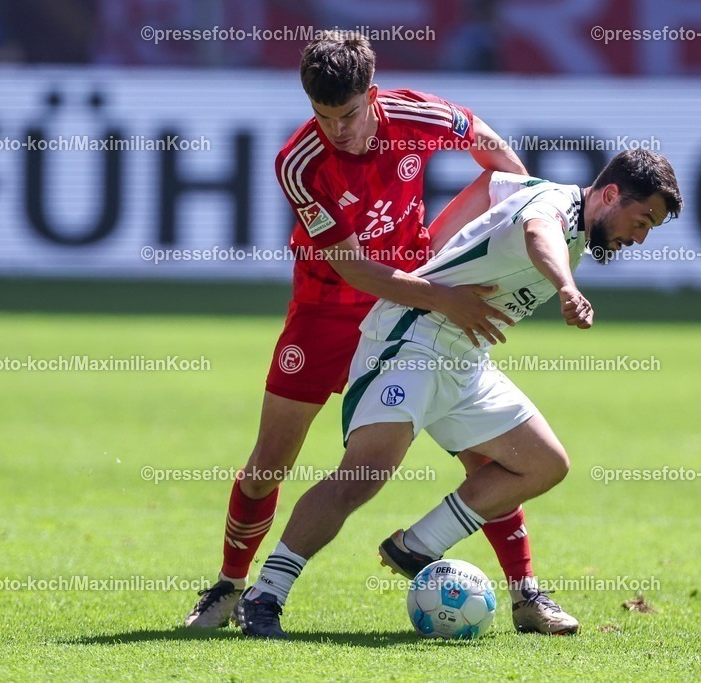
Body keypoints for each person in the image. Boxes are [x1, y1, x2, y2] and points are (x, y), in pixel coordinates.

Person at [186, 30, 579, 635]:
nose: (336, 129)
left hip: (410, 311)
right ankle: (230, 586)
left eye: (346, 114)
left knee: (486, 452)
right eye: (322, 115)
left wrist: (461, 253)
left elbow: (506, 169)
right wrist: (443, 292)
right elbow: (352, 267)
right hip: (326, 311)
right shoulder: (299, 161)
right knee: (269, 463)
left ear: (372, 93)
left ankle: (526, 594)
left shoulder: (420, 115)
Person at [230, 149, 684, 639]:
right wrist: (567, 288)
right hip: (412, 342)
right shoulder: (555, 207)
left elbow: (492, 183)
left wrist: (436, 249)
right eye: (643, 220)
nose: (639, 237)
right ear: (611, 194)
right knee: (363, 475)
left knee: (543, 463)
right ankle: (264, 594)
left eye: (650, 229)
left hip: (466, 359)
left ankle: (418, 547)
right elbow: (537, 234)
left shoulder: (538, 192)